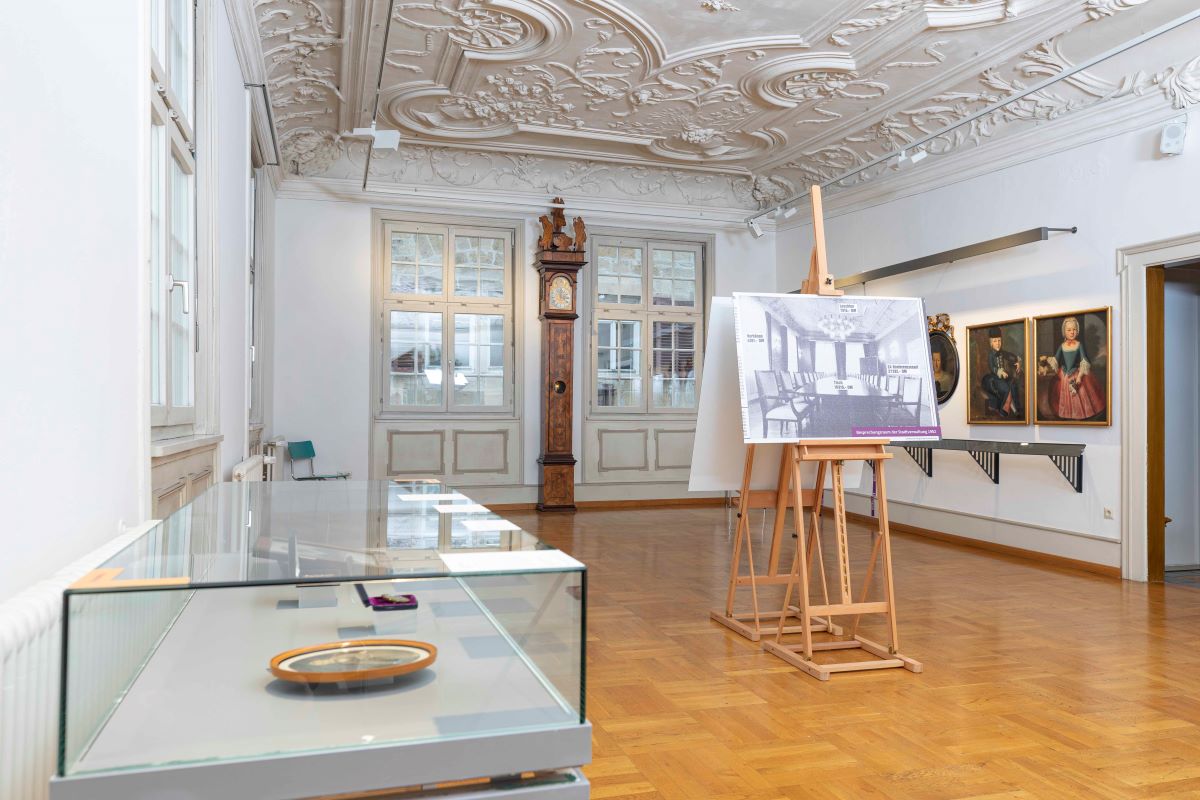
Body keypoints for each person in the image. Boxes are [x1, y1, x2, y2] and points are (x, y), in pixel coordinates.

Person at [1047, 316, 1105, 420]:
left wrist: (1079, 376)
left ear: (1077, 330)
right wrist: (1048, 362)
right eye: (1069, 330)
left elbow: (1084, 361)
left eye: (1074, 329)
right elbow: (1055, 359)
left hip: (1076, 373)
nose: (1072, 332)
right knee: (1065, 396)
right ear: (1064, 331)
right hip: (1064, 375)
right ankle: (1067, 415)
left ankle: (1078, 416)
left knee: (1079, 396)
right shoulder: (1062, 345)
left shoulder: (1079, 345)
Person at [981, 327, 1022, 418]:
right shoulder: (991, 355)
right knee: (1005, 388)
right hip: (994, 377)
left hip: (1003, 376)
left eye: (999, 340)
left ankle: (1017, 409)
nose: (998, 343)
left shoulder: (1002, 352)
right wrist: (1000, 372)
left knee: (1013, 384)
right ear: (991, 343)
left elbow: (1010, 356)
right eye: (995, 341)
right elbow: (992, 367)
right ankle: (1004, 409)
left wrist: (1017, 362)